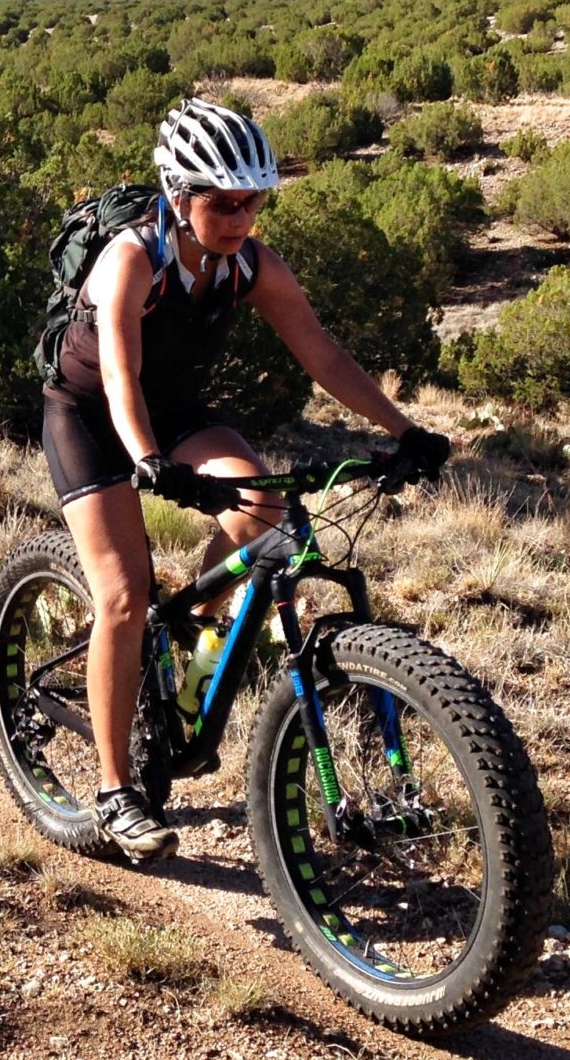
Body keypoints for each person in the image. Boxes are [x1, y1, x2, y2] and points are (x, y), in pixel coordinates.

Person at [42, 99, 451, 864]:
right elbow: (121, 376)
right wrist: (148, 461)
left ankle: (193, 654)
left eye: (252, 202)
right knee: (124, 596)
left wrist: (405, 433)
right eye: (221, 202)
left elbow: (324, 357)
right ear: (176, 194)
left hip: (174, 413)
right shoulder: (132, 257)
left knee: (263, 509)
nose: (239, 218)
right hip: (93, 417)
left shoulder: (252, 263)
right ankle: (112, 791)